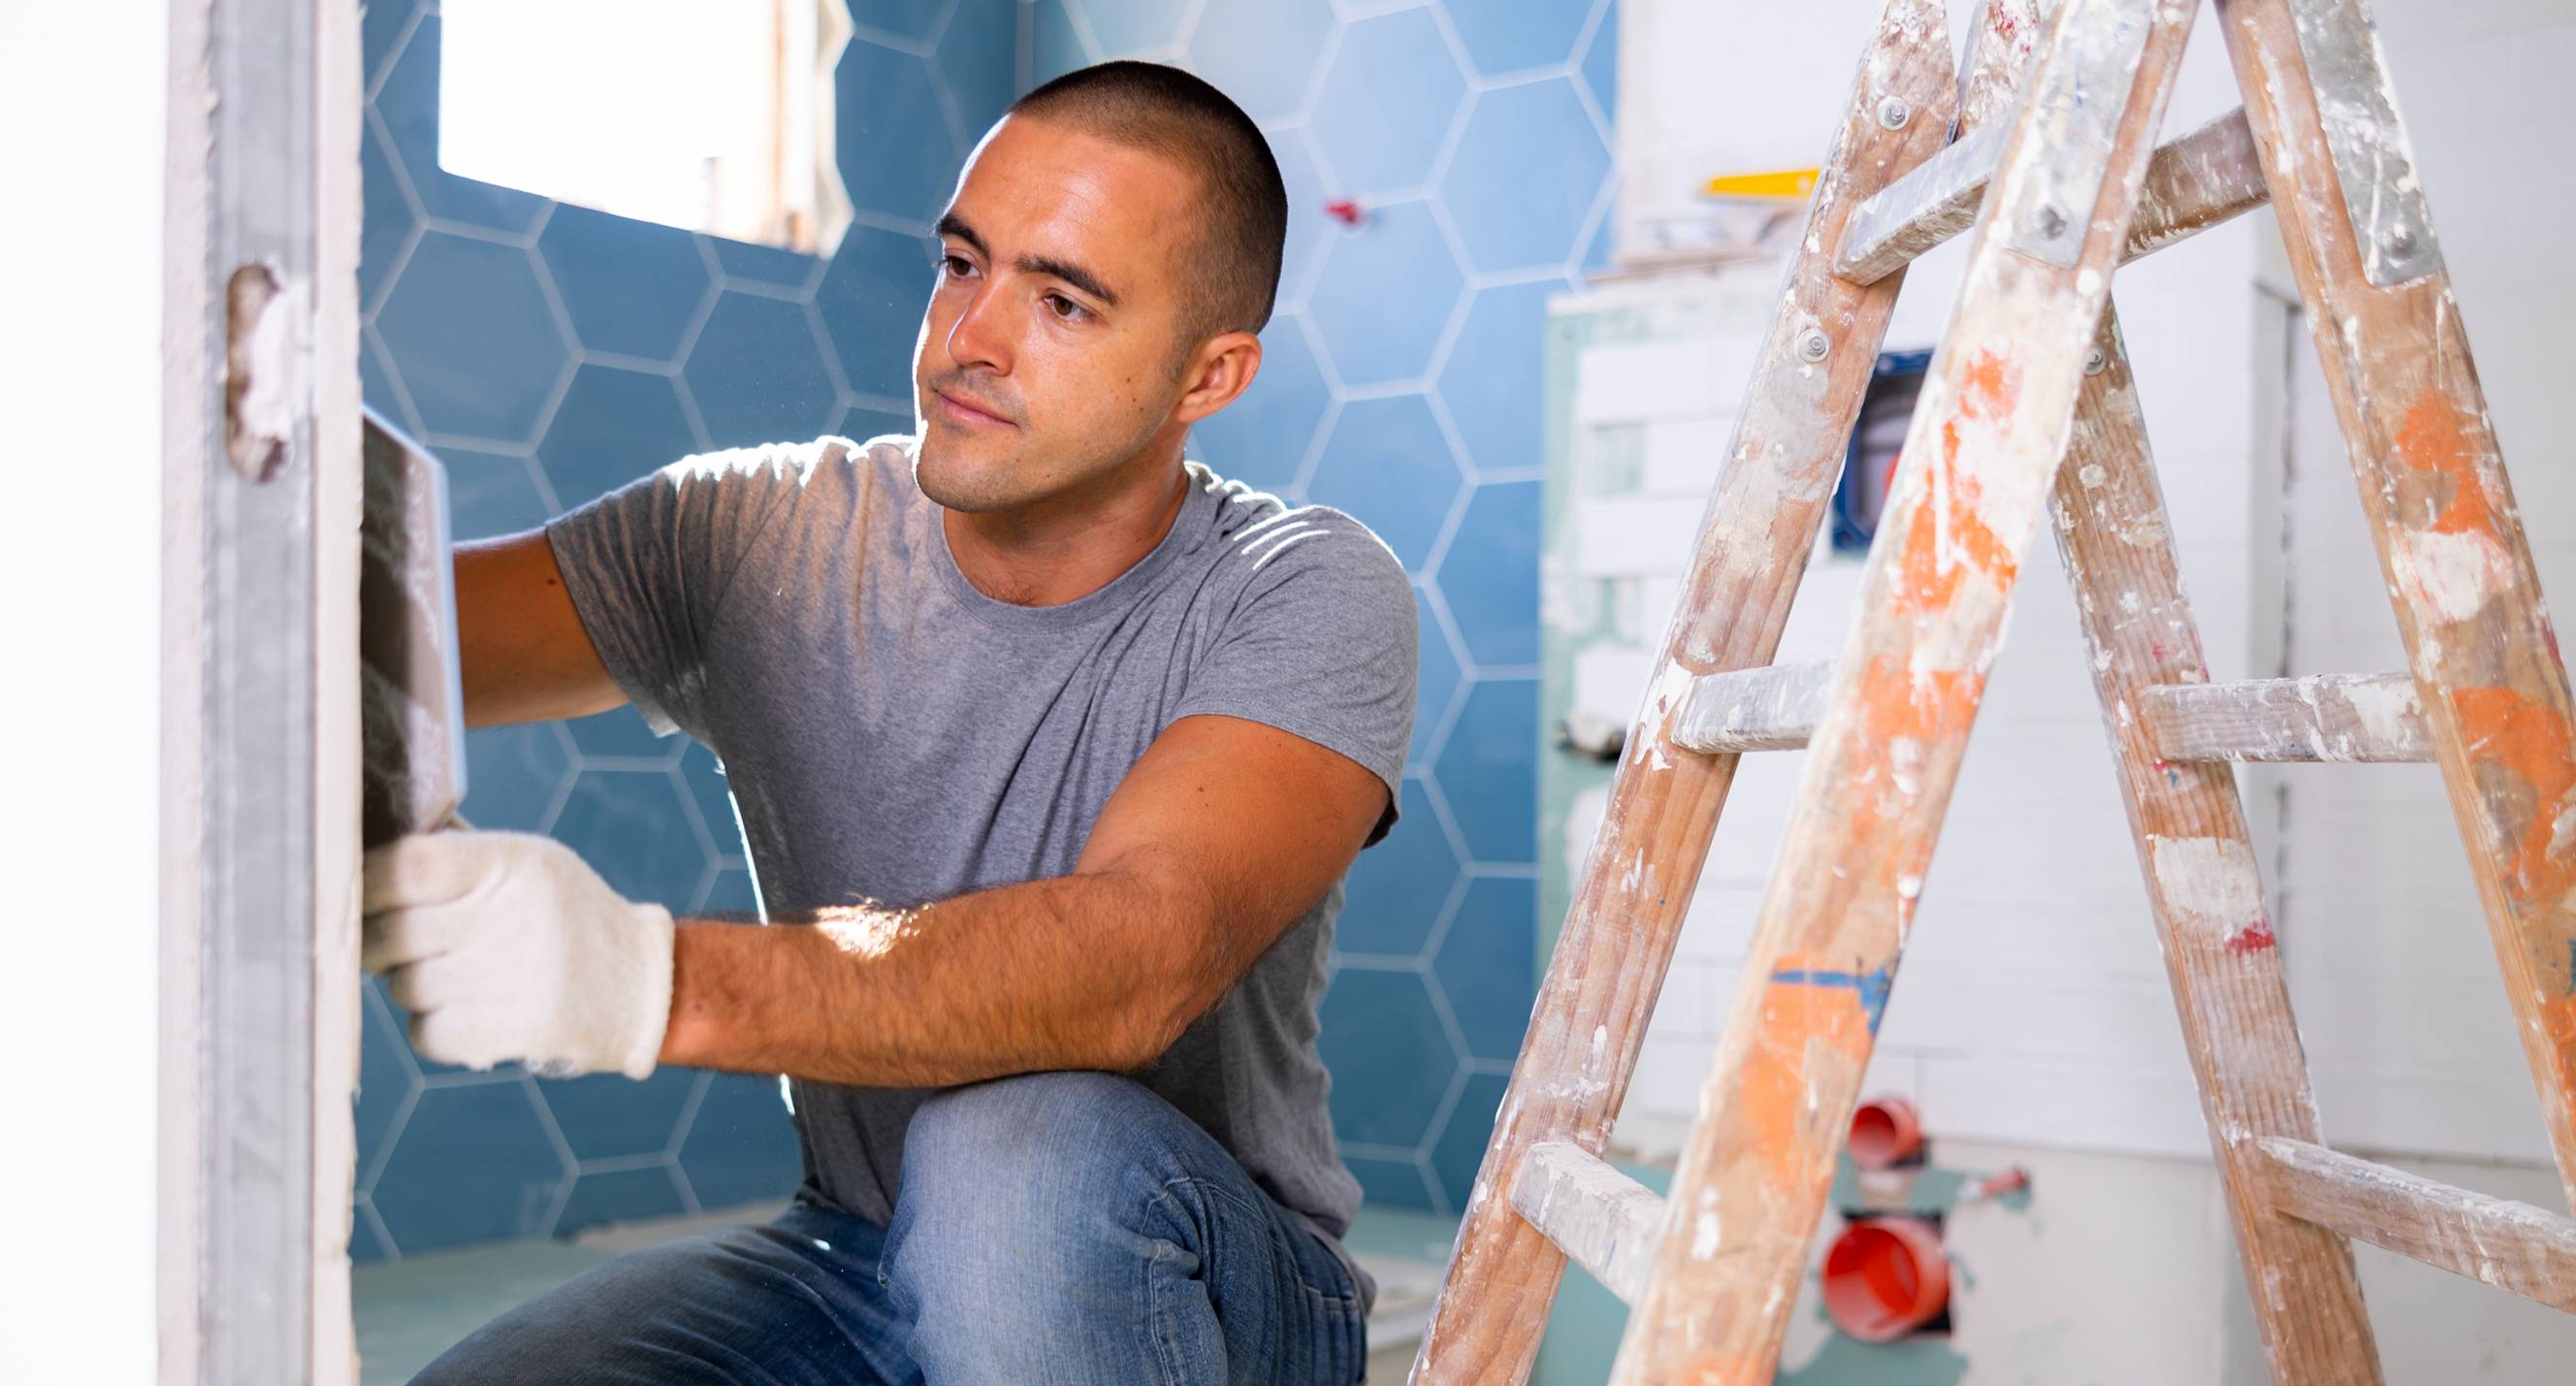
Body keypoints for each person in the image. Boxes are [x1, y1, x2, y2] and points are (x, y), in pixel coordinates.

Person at [365, 59, 1418, 1385]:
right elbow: (373, 642)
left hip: (1202, 1281)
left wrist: (644, 981)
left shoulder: (1305, 587)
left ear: (1210, 375)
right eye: (961, 264)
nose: (969, 339)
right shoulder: (759, 536)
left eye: (1062, 300)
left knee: (1011, 1159)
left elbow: (1143, 952)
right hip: (860, 1252)